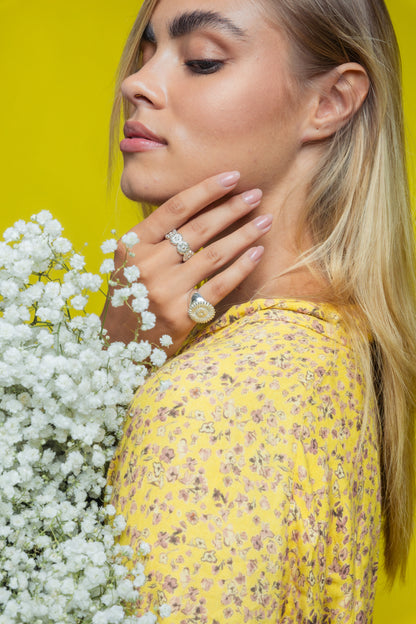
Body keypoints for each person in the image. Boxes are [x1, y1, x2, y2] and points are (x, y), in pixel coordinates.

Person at [104, 0, 416, 621]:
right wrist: (118, 359)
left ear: (329, 103)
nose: (134, 83)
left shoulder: (217, 398)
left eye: (203, 60)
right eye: (147, 50)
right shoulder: (334, 344)